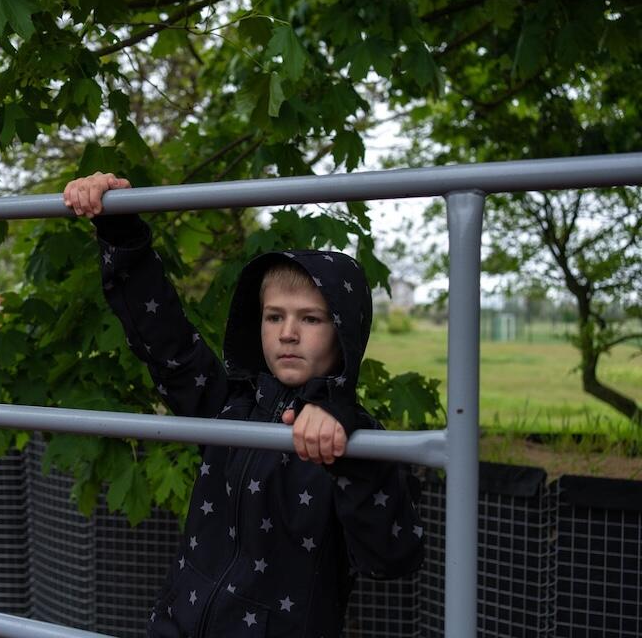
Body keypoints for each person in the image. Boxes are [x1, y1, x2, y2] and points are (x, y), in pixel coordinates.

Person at [63, 172, 424, 638]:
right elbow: (166, 342)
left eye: (310, 319)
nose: (287, 333)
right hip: (177, 626)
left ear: (344, 333)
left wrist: (347, 451)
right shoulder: (227, 407)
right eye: (274, 316)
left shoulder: (358, 439)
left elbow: (394, 558)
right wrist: (120, 230)